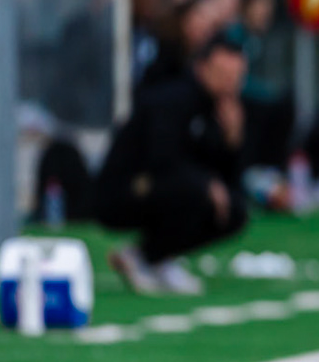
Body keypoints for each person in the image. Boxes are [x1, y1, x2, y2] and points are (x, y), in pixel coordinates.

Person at [96, 25, 251, 296]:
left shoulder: (221, 109)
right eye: (224, 74)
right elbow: (162, 159)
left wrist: (232, 141)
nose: (230, 83)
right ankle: (144, 256)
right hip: (128, 189)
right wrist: (206, 183)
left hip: (175, 187)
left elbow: (229, 176)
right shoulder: (173, 99)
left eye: (236, 77)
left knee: (233, 209)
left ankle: (155, 256)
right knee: (196, 193)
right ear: (204, 66)